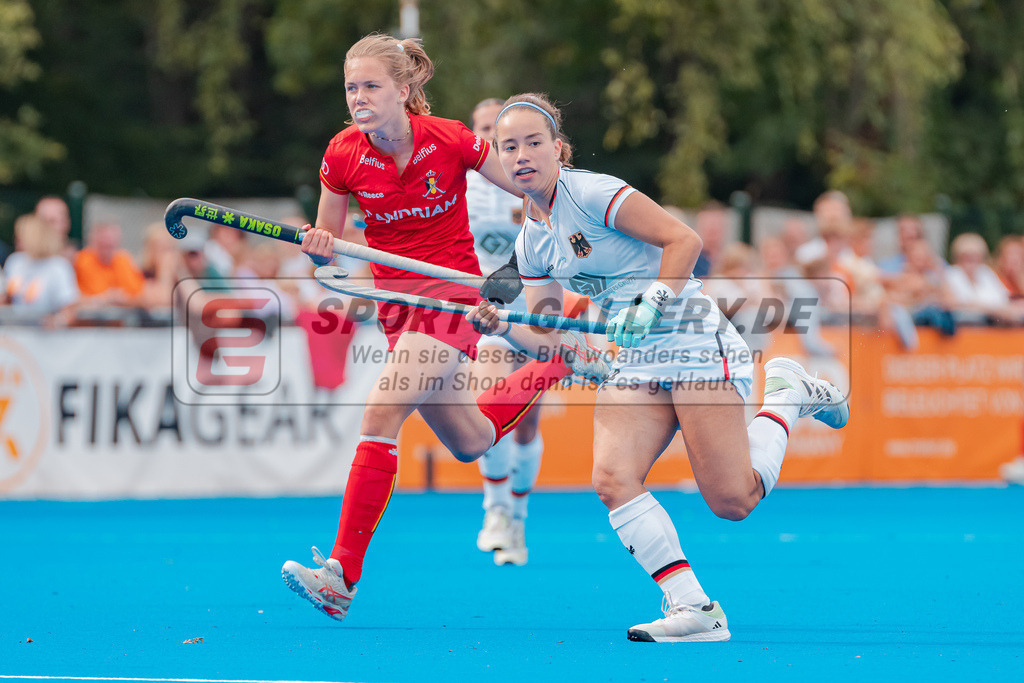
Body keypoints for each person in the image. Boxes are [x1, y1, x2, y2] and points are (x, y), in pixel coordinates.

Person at [468, 93, 849, 643]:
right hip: (637, 361)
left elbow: (684, 240)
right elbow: (551, 335)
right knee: (612, 478)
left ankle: (785, 397)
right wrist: (500, 326)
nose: (522, 155)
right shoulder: (531, 243)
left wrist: (650, 303)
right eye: (509, 147)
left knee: (733, 501)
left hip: (693, 340)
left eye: (533, 142)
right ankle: (695, 608)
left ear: (558, 148)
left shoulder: (594, 192)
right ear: (498, 160)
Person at [282, 35, 607, 622]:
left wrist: (563, 244)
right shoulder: (341, 154)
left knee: (379, 416)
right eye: (352, 87)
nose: (359, 97)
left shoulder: (450, 139)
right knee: (472, 442)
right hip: (396, 305)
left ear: (404, 92)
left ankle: (341, 575)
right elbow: (326, 252)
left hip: (452, 296)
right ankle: (558, 360)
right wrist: (319, 245)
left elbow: (534, 187)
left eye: (372, 86)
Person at [465, 97, 546, 566]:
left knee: (527, 421)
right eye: (482, 131)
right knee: (491, 402)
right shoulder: (457, 187)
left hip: (534, 311)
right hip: (487, 315)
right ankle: (495, 509)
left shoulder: (531, 184)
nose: (490, 141)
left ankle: (518, 517)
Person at [1, 213, 79, 325]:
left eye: (20, 237)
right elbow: (7, 299)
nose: (16, 241)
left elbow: (70, 309)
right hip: (16, 333)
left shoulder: (58, 266)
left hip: (47, 337)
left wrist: (56, 322)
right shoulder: (15, 261)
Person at [73, 221, 146, 309]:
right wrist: (103, 299)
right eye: (103, 244)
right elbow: (71, 299)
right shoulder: (81, 261)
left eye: (111, 245)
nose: (107, 248)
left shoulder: (124, 261)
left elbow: (141, 297)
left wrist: (123, 299)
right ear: (93, 241)